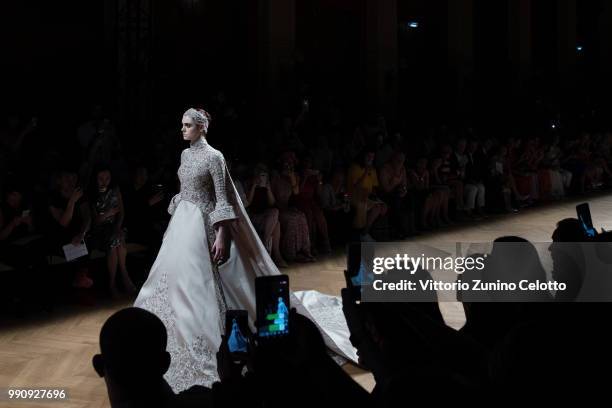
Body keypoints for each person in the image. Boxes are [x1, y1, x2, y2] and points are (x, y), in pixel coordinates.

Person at [134, 108, 353, 392]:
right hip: (182, 224)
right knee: (172, 279)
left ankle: (212, 337)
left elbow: (223, 199)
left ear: (202, 128)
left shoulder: (215, 157)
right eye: (182, 125)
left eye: (188, 125)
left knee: (199, 282)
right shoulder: (185, 155)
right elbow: (185, 188)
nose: (183, 130)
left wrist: (223, 234)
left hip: (204, 225)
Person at [88, 167, 136, 297]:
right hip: (99, 231)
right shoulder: (91, 193)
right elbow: (95, 221)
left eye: (107, 178)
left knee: (117, 239)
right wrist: (108, 213)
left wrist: (117, 226)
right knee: (115, 240)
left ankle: (113, 283)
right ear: (95, 179)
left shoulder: (115, 189)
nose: (104, 182)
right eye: (101, 179)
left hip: (115, 227)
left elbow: (121, 212)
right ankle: (123, 276)